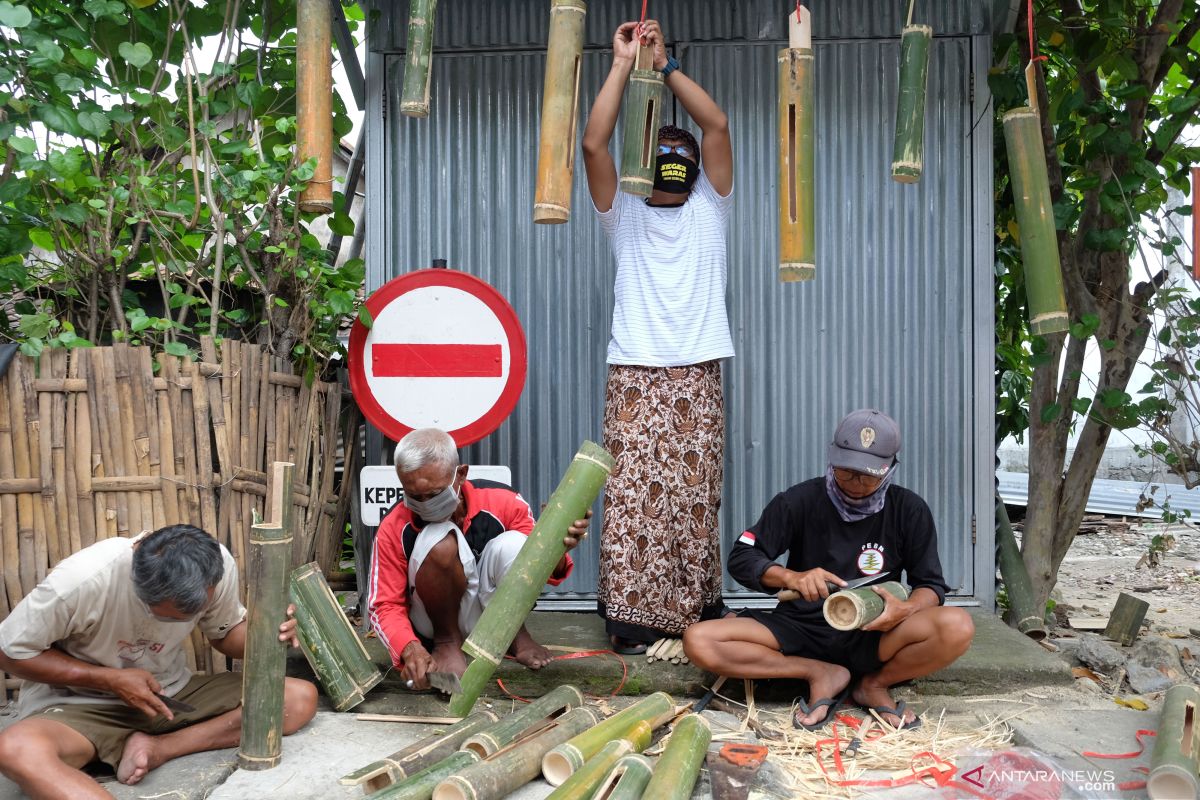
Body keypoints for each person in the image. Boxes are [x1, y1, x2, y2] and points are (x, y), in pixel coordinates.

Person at [582, 18, 735, 655]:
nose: (674, 162)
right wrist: (622, 65)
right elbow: (594, 146)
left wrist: (665, 65)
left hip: (697, 368)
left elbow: (717, 125)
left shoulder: (711, 203)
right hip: (636, 369)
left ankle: (694, 612)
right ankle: (633, 621)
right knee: (633, 497)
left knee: (694, 497)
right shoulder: (625, 213)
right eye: (660, 155)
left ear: (695, 168)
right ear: (648, 165)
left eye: (683, 155)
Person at [683, 410, 975, 730]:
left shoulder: (909, 510)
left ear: (890, 468)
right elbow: (743, 557)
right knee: (700, 641)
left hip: (872, 631)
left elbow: (931, 585)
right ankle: (817, 671)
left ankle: (874, 685)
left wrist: (904, 610)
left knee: (957, 626)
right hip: (801, 626)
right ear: (832, 458)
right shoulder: (799, 500)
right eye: (846, 470)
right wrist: (790, 577)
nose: (856, 482)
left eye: (868, 474)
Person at [0, 524, 318, 799]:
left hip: (169, 695)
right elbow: (9, 653)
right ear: (141, 585)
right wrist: (108, 679)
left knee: (298, 699)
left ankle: (158, 748)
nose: (180, 623)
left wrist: (265, 632)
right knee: (15, 750)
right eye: (165, 616)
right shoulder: (83, 579)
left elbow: (224, 635)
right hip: (82, 704)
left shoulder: (215, 564)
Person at [368, 427, 590, 690]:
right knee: (439, 541)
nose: (425, 504)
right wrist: (410, 647)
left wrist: (556, 544)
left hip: (491, 610)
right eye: (415, 496)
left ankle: (514, 633)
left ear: (460, 474)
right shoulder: (394, 525)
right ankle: (447, 644)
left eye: (435, 494)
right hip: (430, 621)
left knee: (517, 545)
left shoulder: (504, 501)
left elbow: (540, 567)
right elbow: (384, 605)